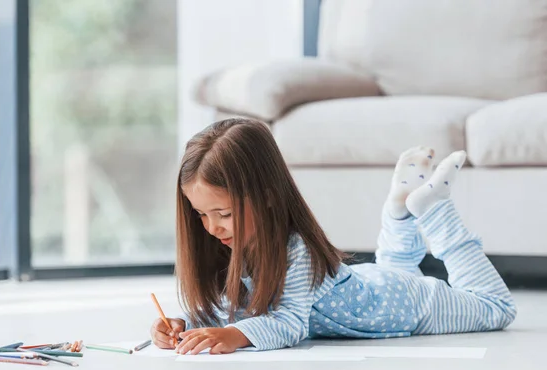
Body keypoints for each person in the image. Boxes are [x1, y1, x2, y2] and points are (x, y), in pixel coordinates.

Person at [150, 118, 517, 355]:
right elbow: (231, 307)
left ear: (267, 196)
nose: (212, 228)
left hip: (404, 306)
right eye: (201, 215)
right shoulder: (230, 244)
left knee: (496, 308)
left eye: (224, 214)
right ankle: (400, 207)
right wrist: (187, 323)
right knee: (397, 269)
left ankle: (434, 208)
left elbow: (288, 323)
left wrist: (230, 336)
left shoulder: (296, 250)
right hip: (371, 286)